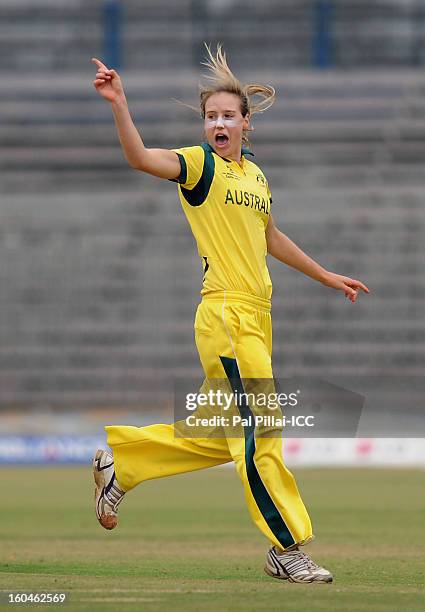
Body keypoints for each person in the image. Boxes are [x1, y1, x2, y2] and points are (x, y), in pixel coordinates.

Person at [91, 45, 369, 584]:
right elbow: (141, 158)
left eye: (227, 115)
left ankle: (120, 466)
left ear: (245, 123)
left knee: (220, 435)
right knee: (263, 428)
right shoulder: (200, 167)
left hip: (257, 316)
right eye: (211, 116)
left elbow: (269, 238)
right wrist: (118, 103)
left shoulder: (256, 178)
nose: (219, 122)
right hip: (226, 316)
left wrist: (326, 275)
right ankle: (285, 547)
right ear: (206, 125)